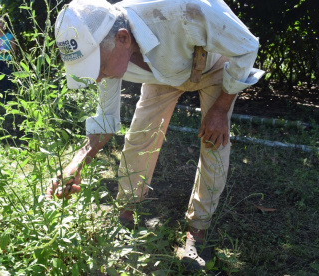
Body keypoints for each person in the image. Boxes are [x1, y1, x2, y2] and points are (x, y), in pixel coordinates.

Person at [47, 0, 264, 269]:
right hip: (163, 75)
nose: (98, 79)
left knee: (214, 142)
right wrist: (77, 162)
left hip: (214, 66)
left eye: (99, 69)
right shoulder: (109, 46)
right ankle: (125, 215)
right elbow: (106, 119)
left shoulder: (186, 9)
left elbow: (246, 46)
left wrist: (221, 108)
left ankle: (197, 232)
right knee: (140, 135)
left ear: (123, 38)